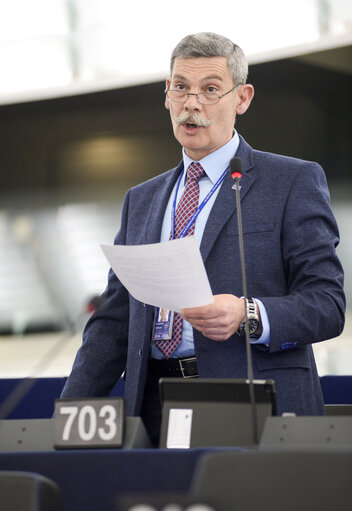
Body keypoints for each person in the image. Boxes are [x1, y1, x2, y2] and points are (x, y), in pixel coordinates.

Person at [61, 32, 345, 446]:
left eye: (210, 90)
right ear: (167, 95)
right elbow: (114, 321)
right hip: (154, 405)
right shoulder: (140, 200)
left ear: (242, 98)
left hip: (253, 403)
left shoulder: (291, 181)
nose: (192, 104)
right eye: (181, 87)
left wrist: (248, 314)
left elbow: (328, 304)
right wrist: (69, 414)